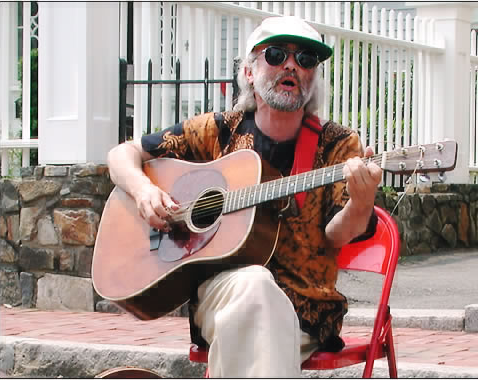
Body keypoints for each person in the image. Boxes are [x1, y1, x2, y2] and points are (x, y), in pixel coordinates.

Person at [106, 16, 382, 377]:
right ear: (250, 72)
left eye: (306, 59)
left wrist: (361, 203)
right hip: (223, 298)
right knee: (253, 286)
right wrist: (144, 190)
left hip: (306, 309)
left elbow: (337, 234)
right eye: (277, 54)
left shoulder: (338, 145)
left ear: (313, 77)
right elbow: (121, 155)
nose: (291, 65)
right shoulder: (217, 132)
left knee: (258, 310)